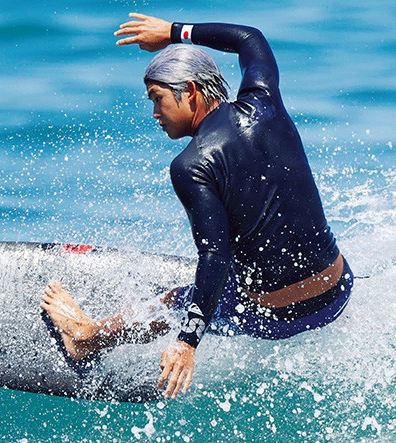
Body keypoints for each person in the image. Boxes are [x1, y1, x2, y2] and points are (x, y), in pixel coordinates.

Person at [41, 13, 353, 399]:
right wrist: (173, 32)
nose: (155, 114)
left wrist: (187, 341)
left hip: (278, 318)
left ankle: (86, 337)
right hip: (338, 293)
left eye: (157, 99)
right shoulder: (265, 104)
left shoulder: (192, 164)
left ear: (189, 91)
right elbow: (249, 37)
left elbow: (215, 256)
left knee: (174, 299)